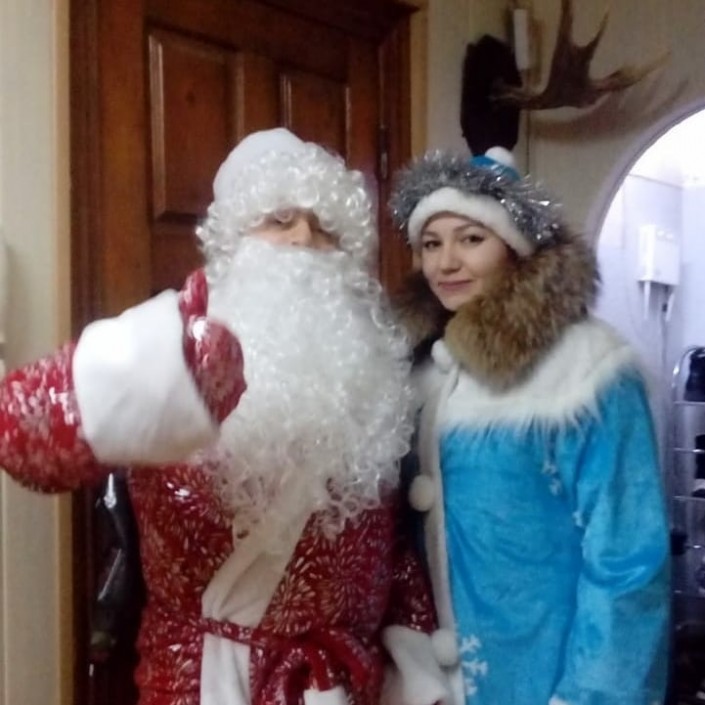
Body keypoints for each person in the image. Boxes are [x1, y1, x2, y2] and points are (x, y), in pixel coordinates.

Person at [0, 128, 452, 705]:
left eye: (325, 228)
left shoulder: (373, 375)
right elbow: (19, 434)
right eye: (280, 220)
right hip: (204, 683)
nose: (304, 240)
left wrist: (418, 668)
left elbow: (391, 550)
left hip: (343, 688)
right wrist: (173, 375)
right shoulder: (169, 343)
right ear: (234, 240)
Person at [388, 146, 671, 705]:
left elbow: (627, 557)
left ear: (514, 248)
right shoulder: (416, 369)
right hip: (426, 684)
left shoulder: (587, 370)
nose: (446, 263)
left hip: (546, 679)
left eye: (471, 239)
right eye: (431, 244)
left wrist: (590, 695)